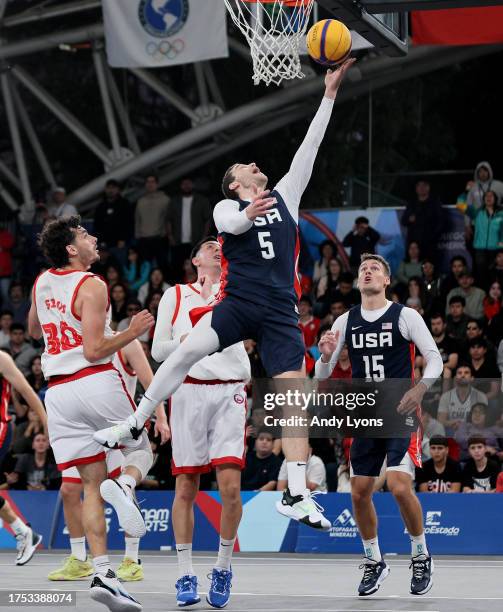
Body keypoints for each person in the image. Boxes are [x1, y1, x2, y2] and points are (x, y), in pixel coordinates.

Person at [94, 60, 356, 533]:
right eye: (246, 167)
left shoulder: (286, 196)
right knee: (188, 350)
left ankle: (296, 491)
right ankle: (137, 422)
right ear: (237, 183)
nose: (256, 166)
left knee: (294, 396)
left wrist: (329, 95)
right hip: (238, 301)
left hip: (279, 308)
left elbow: (310, 148)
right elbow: (231, 225)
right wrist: (247, 212)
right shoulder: (227, 204)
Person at [29, 215, 155, 611]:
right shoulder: (93, 285)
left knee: (90, 484)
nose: (94, 238)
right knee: (142, 449)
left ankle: (102, 571)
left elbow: (34, 330)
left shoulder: (41, 282)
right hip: (93, 382)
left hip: (58, 394)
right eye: (85, 235)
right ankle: (127, 488)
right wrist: (132, 331)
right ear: (71, 248)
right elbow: (95, 350)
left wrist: (57, 321)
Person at [315, 252, 443, 596]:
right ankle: (374, 560)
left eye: (375, 269)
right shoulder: (344, 321)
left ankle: (420, 554)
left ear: (387, 280)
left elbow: (435, 359)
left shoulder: (406, 315)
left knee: (400, 486)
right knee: (358, 493)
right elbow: (321, 374)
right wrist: (325, 357)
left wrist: (420, 388)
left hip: (400, 409)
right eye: (363, 269)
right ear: (358, 281)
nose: (367, 271)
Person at [150, 236, 250, 608]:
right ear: (195, 259)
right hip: (188, 390)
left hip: (229, 392)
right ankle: (185, 574)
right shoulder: (175, 295)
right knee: (186, 488)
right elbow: (159, 350)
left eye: (219, 244)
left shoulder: (235, 289)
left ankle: (223, 568)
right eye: (208, 246)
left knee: (230, 489)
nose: (216, 248)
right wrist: (191, 341)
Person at [47, 338, 169, 583]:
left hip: (115, 423)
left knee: (121, 487)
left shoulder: (127, 341)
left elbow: (151, 382)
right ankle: (80, 559)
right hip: (85, 426)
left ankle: (131, 561)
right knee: (69, 489)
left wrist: (161, 417)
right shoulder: (76, 341)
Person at [0, 349, 47, 565]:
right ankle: (24, 533)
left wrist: (47, 424)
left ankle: (23, 533)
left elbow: (29, 393)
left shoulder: (2, 359)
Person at [167, 178, 212, 280]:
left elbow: (208, 220)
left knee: (197, 267)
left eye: (189, 183)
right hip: (178, 242)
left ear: (193, 185)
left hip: (196, 241)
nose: (186, 186)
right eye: (184, 183)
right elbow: (168, 220)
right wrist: (170, 237)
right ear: (180, 186)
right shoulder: (174, 201)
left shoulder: (202, 200)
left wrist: (204, 237)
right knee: (177, 268)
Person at [134, 173, 170, 271]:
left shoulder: (165, 199)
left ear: (157, 184)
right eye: (148, 182)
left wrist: (167, 235)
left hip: (160, 239)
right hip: (144, 239)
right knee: (144, 268)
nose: (150, 184)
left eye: (152, 182)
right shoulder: (141, 201)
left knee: (162, 267)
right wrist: (137, 235)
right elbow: (138, 219)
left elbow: (169, 219)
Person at [402, 180, 443, 262]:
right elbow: (403, 221)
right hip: (415, 243)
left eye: (423, 186)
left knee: (429, 266)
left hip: (430, 243)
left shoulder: (435, 202)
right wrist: (409, 219)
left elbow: (441, 221)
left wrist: (433, 236)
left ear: (428, 188)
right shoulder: (412, 203)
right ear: (416, 189)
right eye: (419, 186)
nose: (421, 188)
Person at [437, 364, 487, 432]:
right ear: (455, 378)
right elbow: (441, 421)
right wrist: (453, 424)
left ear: (472, 378)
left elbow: (482, 422)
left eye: (466, 373)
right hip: (451, 430)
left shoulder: (480, 396)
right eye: (459, 373)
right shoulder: (446, 396)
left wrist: (463, 426)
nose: (463, 375)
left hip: (473, 431)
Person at [472, 190, 503, 286]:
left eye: (491, 196)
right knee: (481, 275)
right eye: (486, 196)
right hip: (480, 249)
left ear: (496, 199)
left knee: (495, 276)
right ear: (483, 199)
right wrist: (466, 192)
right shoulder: (477, 212)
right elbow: (460, 205)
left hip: (496, 249)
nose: (488, 197)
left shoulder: (501, 213)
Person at [93, 179, 133, 248]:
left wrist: (123, 239)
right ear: (105, 190)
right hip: (104, 243)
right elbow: (97, 224)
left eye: (113, 188)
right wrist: (100, 240)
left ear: (118, 189)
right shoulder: (101, 206)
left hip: (120, 242)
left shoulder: (125, 204)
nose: (111, 190)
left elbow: (128, 223)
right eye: (109, 188)